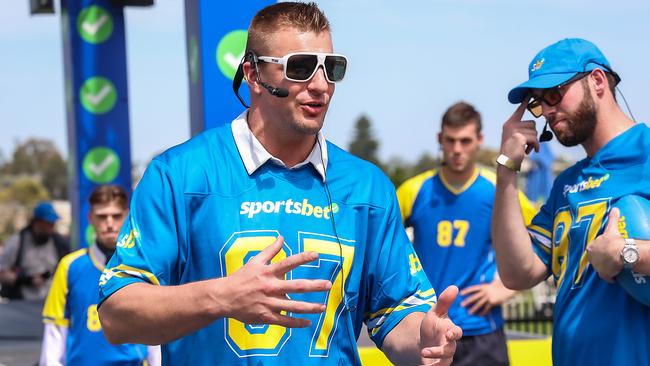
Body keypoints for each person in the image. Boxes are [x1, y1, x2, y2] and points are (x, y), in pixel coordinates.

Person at [97, 2, 462, 365]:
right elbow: (116, 315)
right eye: (300, 67)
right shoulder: (179, 174)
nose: (320, 85)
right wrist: (220, 297)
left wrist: (426, 341)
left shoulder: (368, 188)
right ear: (254, 75)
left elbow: (396, 314)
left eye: (331, 68)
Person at [493, 37, 650, 366]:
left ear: (596, 80)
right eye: (538, 102)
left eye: (554, 93)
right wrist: (506, 170)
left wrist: (627, 253)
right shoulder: (566, 183)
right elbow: (518, 274)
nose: (547, 110)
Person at [397, 102, 536, 366]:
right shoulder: (413, 191)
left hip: (482, 331)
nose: (457, 149)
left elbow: (547, 239)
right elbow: (383, 249)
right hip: (429, 330)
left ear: (479, 141)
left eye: (465, 141)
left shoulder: (499, 189)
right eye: (450, 141)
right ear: (440, 139)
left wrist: (506, 287)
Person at [39, 185, 160, 365]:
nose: (109, 223)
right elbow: (54, 332)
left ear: (127, 216)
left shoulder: (145, 266)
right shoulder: (70, 266)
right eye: (102, 216)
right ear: (90, 218)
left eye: (116, 216)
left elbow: (156, 333)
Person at [0, 202, 69, 300]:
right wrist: (26, 280)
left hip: (50, 302)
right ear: (37, 222)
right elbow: (2, 273)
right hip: (22, 303)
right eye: (48, 223)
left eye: (52, 223)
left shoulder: (58, 243)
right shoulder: (18, 242)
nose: (51, 226)